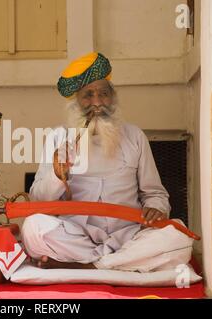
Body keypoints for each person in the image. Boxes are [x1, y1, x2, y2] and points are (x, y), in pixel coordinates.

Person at [21, 52, 194, 272]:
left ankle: (89, 266)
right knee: (33, 228)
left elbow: (155, 194)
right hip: (77, 236)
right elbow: (38, 202)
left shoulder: (134, 136)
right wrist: (56, 176)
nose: (97, 103)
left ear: (113, 97)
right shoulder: (58, 137)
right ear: (75, 102)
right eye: (88, 95)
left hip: (129, 235)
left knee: (178, 234)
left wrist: (155, 208)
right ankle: (120, 264)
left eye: (104, 93)